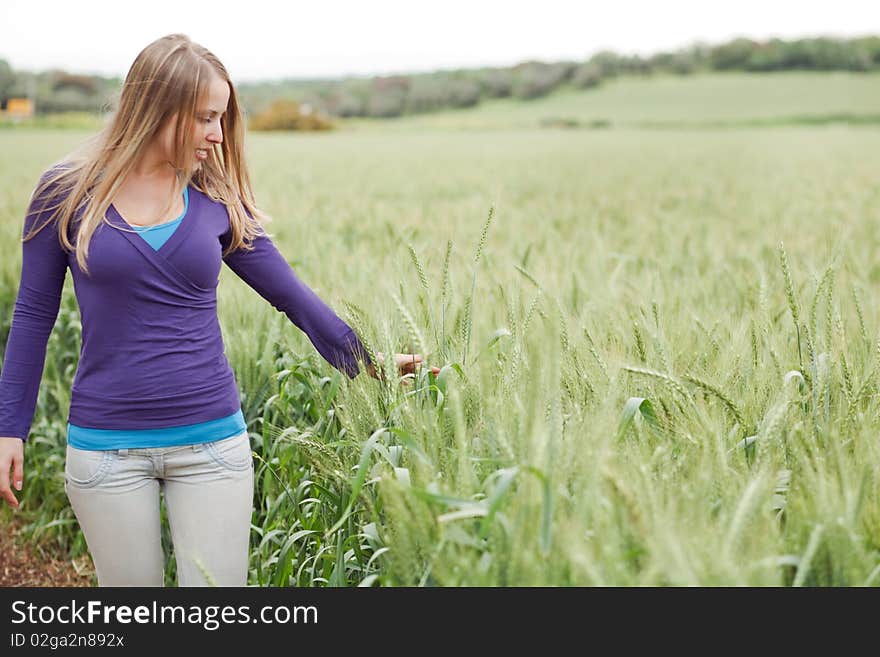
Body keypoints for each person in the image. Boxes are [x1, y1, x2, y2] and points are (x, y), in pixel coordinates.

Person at [0, 33, 437, 587]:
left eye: (222, 118)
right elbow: (35, 313)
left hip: (212, 446)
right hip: (107, 448)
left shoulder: (216, 198)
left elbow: (291, 297)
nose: (216, 134)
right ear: (157, 107)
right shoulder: (64, 191)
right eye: (205, 117)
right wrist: (7, 427)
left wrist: (368, 363)